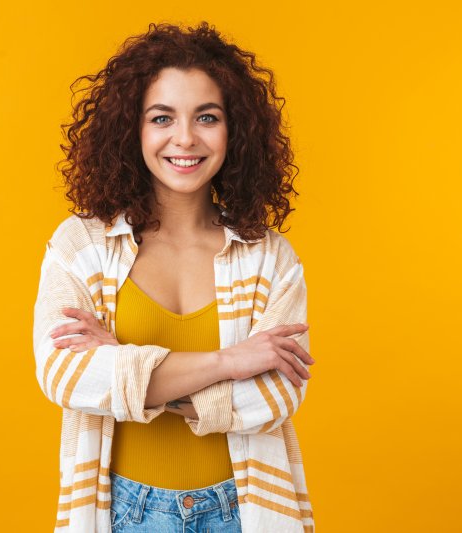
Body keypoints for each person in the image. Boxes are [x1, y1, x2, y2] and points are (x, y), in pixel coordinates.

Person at [33, 21, 315, 532]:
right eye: (162, 117)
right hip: (121, 511)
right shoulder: (84, 245)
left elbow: (274, 396)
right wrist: (230, 361)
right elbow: (65, 375)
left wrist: (123, 369)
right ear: (132, 129)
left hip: (244, 510)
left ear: (235, 130)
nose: (185, 138)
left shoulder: (270, 257)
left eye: (207, 117)